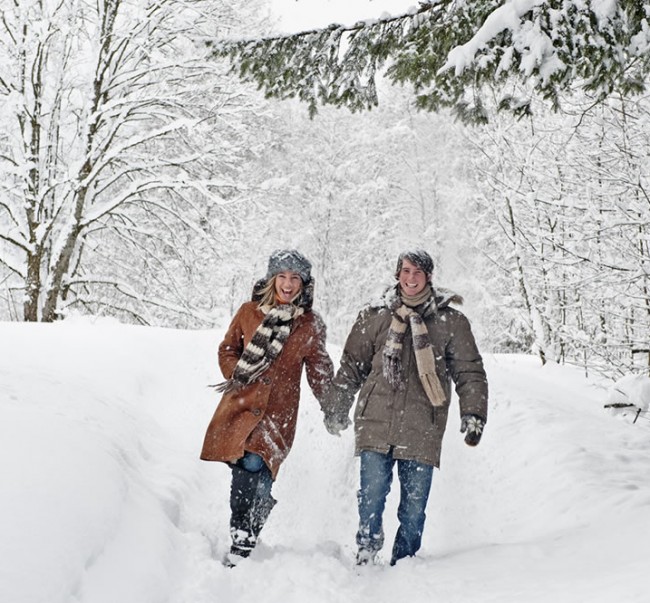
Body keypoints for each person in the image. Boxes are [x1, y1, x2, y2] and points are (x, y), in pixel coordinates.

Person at [322, 249, 488, 566]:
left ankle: (406, 560)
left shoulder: (450, 321)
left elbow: (469, 372)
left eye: (418, 273)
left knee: (413, 506)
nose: (411, 279)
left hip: (422, 423)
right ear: (397, 274)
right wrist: (336, 406)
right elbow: (352, 367)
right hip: (375, 418)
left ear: (429, 277)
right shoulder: (374, 316)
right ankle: (367, 551)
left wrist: (474, 413)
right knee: (371, 494)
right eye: (406, 271)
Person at [200, 249, 334, 567]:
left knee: (261, 476)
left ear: (304, 284)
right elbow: (228, 348)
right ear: (272, 278)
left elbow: (319, 370)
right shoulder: (249, 312)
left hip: (279, 415)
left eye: (295, 278)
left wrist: (334, 406)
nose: (288, 284)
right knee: (246, 466)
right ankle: (241, 537)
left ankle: (248, 531)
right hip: (242, 407)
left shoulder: (310, 324)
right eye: (282, 276)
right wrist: (237, 372)